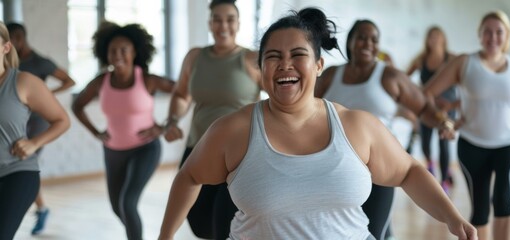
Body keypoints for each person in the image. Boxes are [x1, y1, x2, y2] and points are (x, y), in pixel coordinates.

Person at [158, 7, 477, 240]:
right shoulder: (233, 130)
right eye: (272, 56)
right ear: (261, 68)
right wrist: (165, 236)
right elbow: (189, 176)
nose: (285, 64)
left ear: (319, 65)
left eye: (298, 54)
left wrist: (452, 218)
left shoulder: (356, 126)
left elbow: (408, 171)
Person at [422, 11, 510, 240]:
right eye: (487, 32)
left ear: (507, 35)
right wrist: (446, 121)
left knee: (504, 201)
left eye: (499, 32)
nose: (493, 37)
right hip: (472, 145)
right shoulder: (464, 62)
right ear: (480, 35)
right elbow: (427, 94)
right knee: (480, 209)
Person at [315, 19, 446, 240]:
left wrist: (444, 123)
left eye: (374, 39)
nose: (368, 44)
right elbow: (306, 108)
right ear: (351, 42)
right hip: (336, 169)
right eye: (362, 38)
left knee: (374, 232)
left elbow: (424, 106)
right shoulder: (331, 75)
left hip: (379, 167)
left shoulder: (389, 76)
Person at [162, 0, 261, 239]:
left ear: (238, 24)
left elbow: (279, 98)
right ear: (209, 23)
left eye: (229, 19)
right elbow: (181, 94)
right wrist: (173, 119)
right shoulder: (195, 57)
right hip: (197, 147)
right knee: (198, 222)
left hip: (238, 156)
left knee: (223, 224)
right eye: (217, 19)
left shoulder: (250, 59)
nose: (223, 25)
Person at [72, 22, 175, 240]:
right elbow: (77, 105)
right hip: (113, 151)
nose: (117, 55)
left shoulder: (147, 80)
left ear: (135, 52)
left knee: (127, 203)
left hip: (145, 149)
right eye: (112, 51)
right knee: (117, 207)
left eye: (124, 50)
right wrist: (95, 132)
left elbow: (183, 92)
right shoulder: (101, 82)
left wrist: (165, 125)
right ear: (105, 54)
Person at [0, 21, 70, 240]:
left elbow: (62, 120)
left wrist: (34, 143)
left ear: (6, 47)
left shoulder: (24, 82)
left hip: (16, 172)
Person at [406, 26, 458, 192]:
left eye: (437, 36)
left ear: (443, 39)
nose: (434, 39)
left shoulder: (452, 59)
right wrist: (418, 94)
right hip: (427, 107)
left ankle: (444, 181)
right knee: (426, 144)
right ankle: (430, 163)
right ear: (427, 40)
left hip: (446, 108)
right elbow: (404, 80)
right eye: (431, 37)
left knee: (444, 144)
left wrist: (454, 104)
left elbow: (465, 82)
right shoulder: (421, 59)